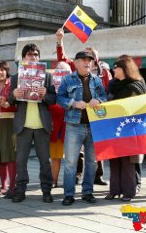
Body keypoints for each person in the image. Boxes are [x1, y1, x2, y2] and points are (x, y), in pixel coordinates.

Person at [56, 28, 110, 186]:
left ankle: (97, 177)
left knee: (96, 153)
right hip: (76, 121)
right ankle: (75, 179)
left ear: (95, 60)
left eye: (89, 57)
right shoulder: (73, 75)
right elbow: (63, 59)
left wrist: (99, 100)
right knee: (74, 157)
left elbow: (107, 94)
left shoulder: (103, 74)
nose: (86, 61)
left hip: (98, 117)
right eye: (83, 58)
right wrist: (60, 41)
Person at [8, 43, 56, 203]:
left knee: (44, 161)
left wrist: (45, 95)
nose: (33, 57)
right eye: (29, 54)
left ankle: (46, 190)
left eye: (35, 54)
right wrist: (14, 94)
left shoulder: (47, 76)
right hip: (23, 125)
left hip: (42, 125)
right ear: (23, 58)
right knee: (21, 161)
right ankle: (20, 190)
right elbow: (9, 100)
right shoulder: (16, 77)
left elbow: (53, 99)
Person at [105, 56, 146, 202]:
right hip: (113, 127)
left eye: (116, 67)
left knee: (128, 162)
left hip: (130, 128)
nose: (113, 69)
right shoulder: (112, 84)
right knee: (114, 160)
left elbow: (139, 107)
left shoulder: (135, 85)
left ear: (124, 69)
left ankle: (129, 192)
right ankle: (114, 190)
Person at [0, 61, 17, 198]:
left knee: (10, 154)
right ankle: (3, 187)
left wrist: (7, 103)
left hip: (9, 121)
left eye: (2, 70)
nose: (0, 73)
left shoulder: (12, 84)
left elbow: (17, 103)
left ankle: (13, 187)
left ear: (7, 71)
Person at [49, 61, 72, 188]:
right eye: (59, 71)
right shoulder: (49, 86)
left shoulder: (74, 85)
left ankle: (69, 183)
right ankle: (53, 181)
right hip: (55, 126)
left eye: (65, 72)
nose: (62, 75)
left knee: (71, 158)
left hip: (70, 126)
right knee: (55, 156)